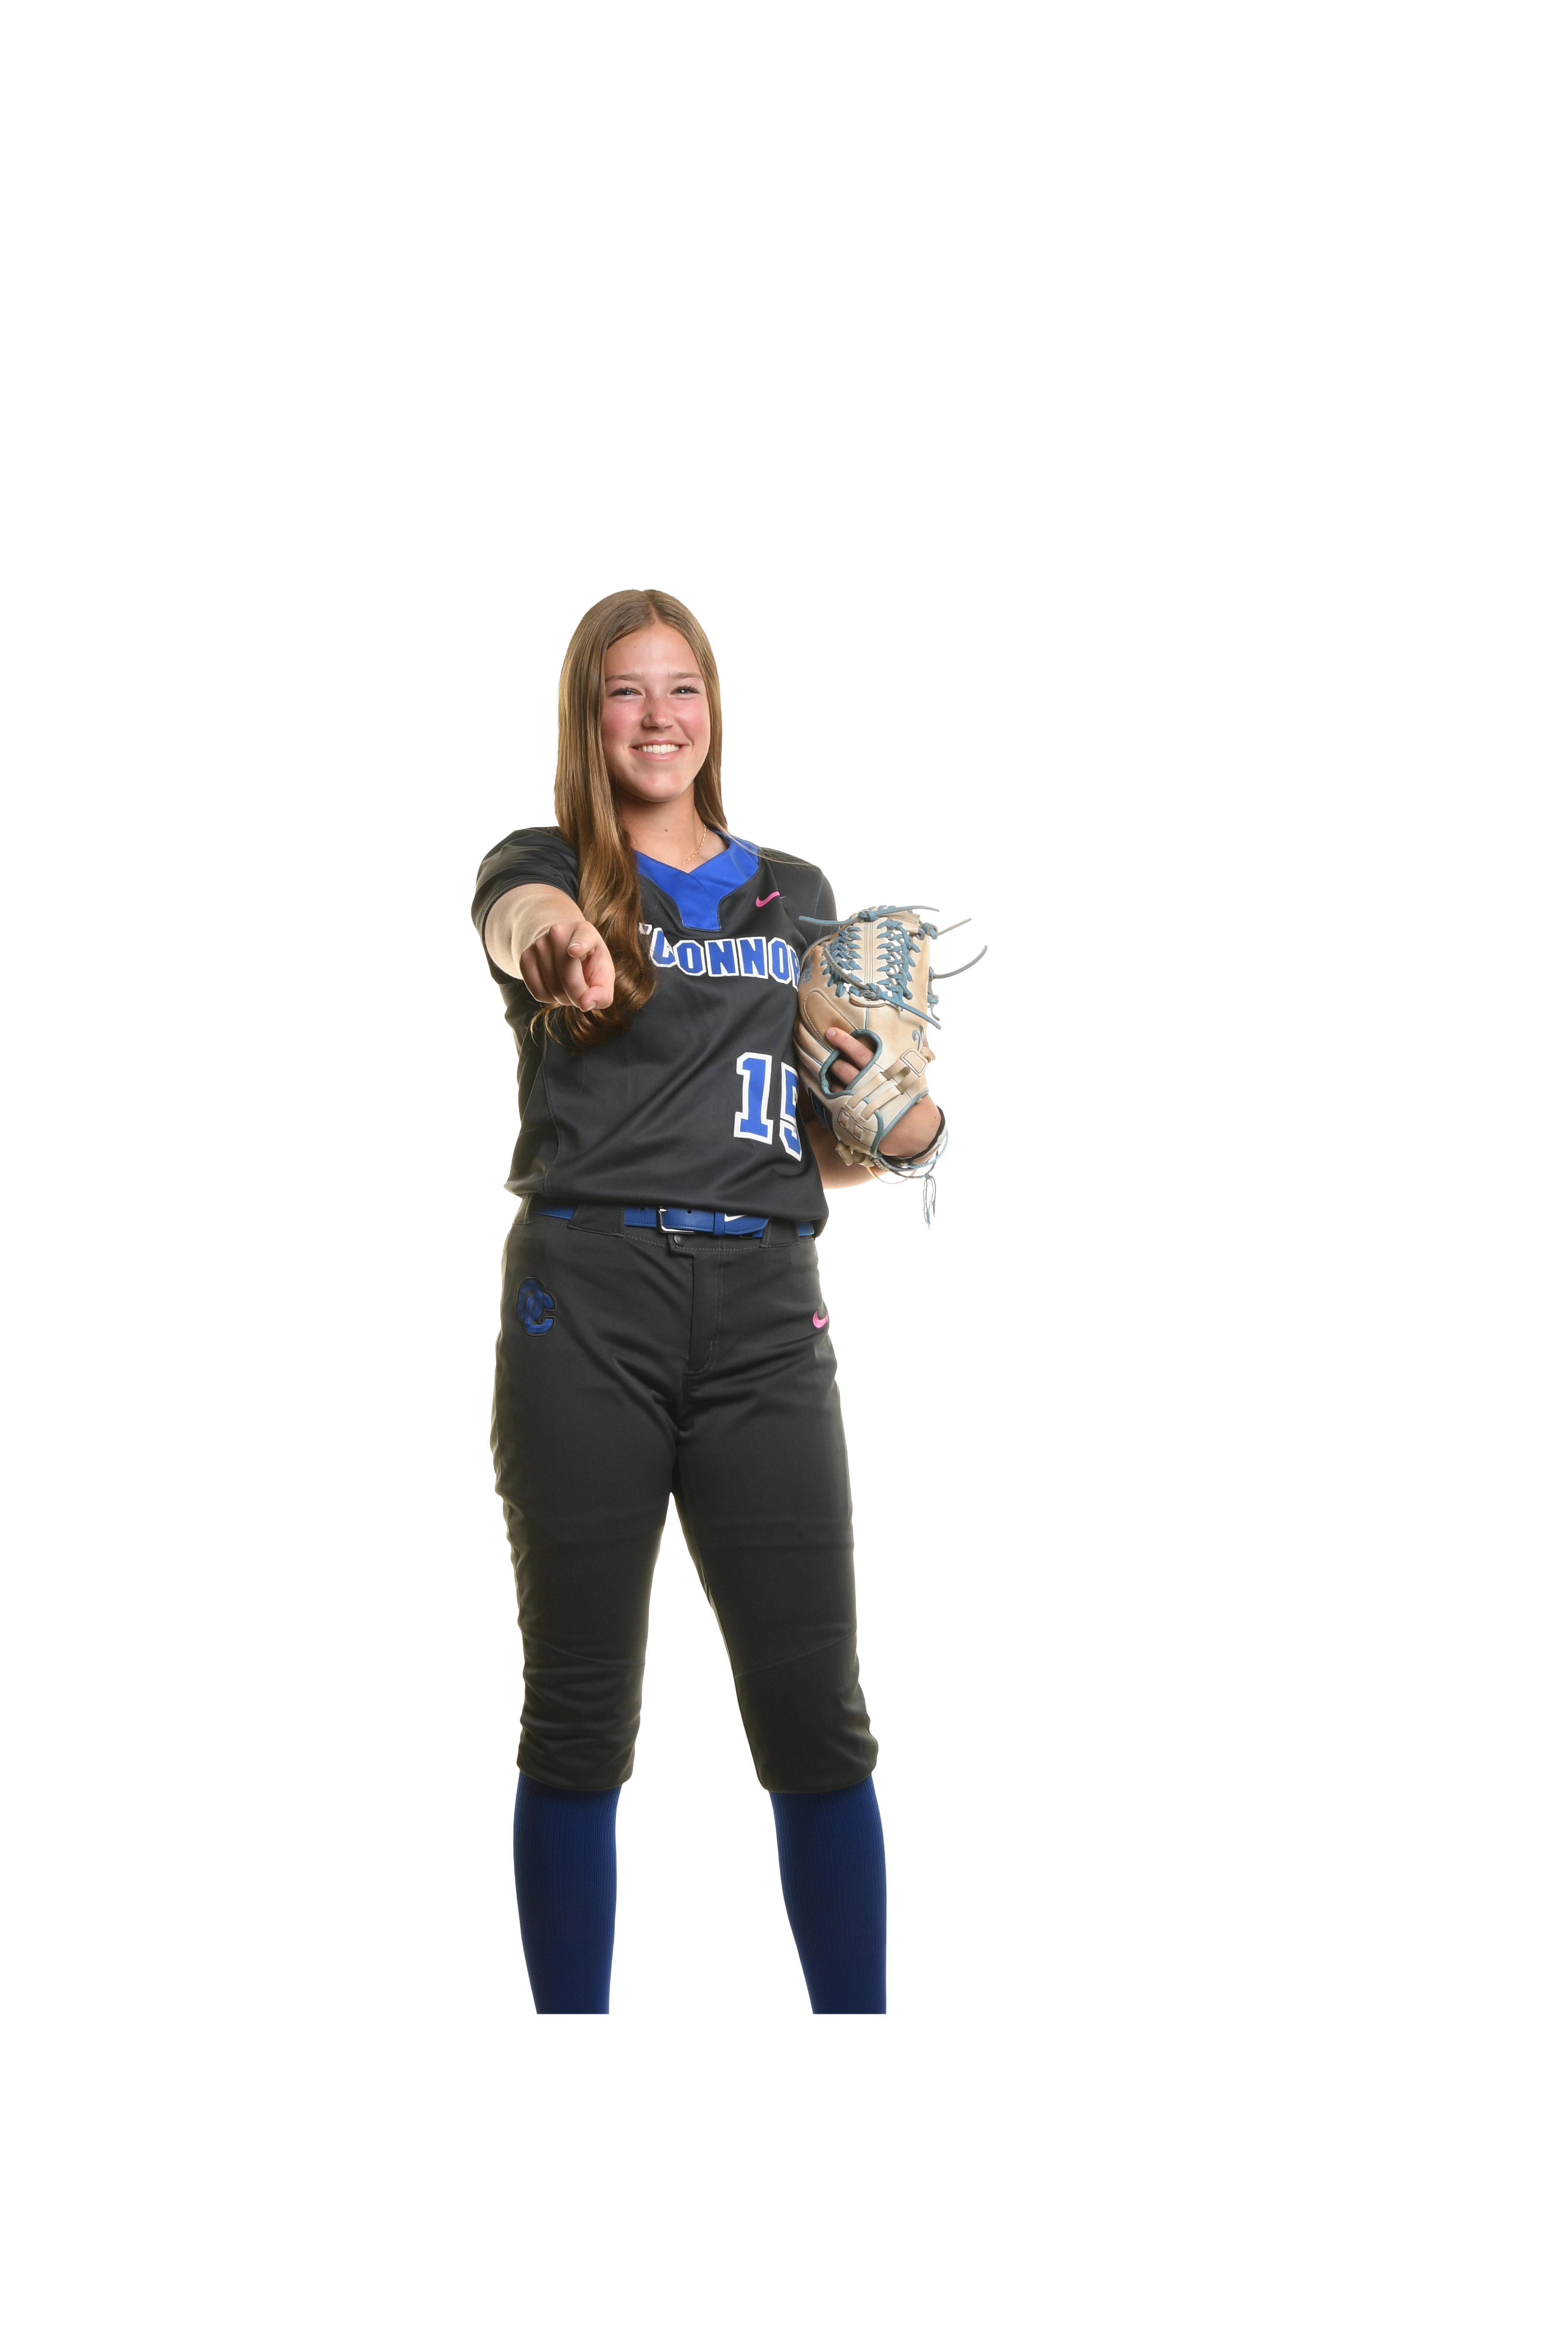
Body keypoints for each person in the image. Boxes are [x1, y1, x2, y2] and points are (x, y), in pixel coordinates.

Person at [471, 582, 945, 2014]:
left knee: (817, 1717)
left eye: (683, 686)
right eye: (627, 688)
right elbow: (516, 919)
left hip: (763, 1317)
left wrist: (908, 1127)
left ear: (717, 710)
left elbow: (818, 1148)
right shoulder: (546, 864)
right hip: (585, 1307)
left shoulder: (793, 896)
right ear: (588, 713)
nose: (659, 715)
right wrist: (557, 937)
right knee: (578, 1717)